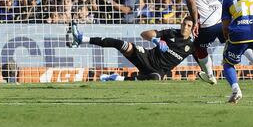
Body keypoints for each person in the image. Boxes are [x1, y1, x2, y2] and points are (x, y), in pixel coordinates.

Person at [66, 16, 195, 80]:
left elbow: (203, 58)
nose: (185, 27)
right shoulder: (171, 32)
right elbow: (144, 34)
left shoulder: (191, 46)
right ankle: (82, 39)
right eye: (184, 23)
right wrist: (156, 40)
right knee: (122, 45)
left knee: (156, 78)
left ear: (192, 28)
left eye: (189, 25)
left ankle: (118, 79)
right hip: (146, 56)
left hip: (158, 70)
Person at [175, 0, 228, 85]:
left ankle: (210, 75)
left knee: (199, 47)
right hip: (222, 17)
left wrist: (195, 21)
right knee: (237, 43)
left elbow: (190, 0)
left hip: (206, 22)